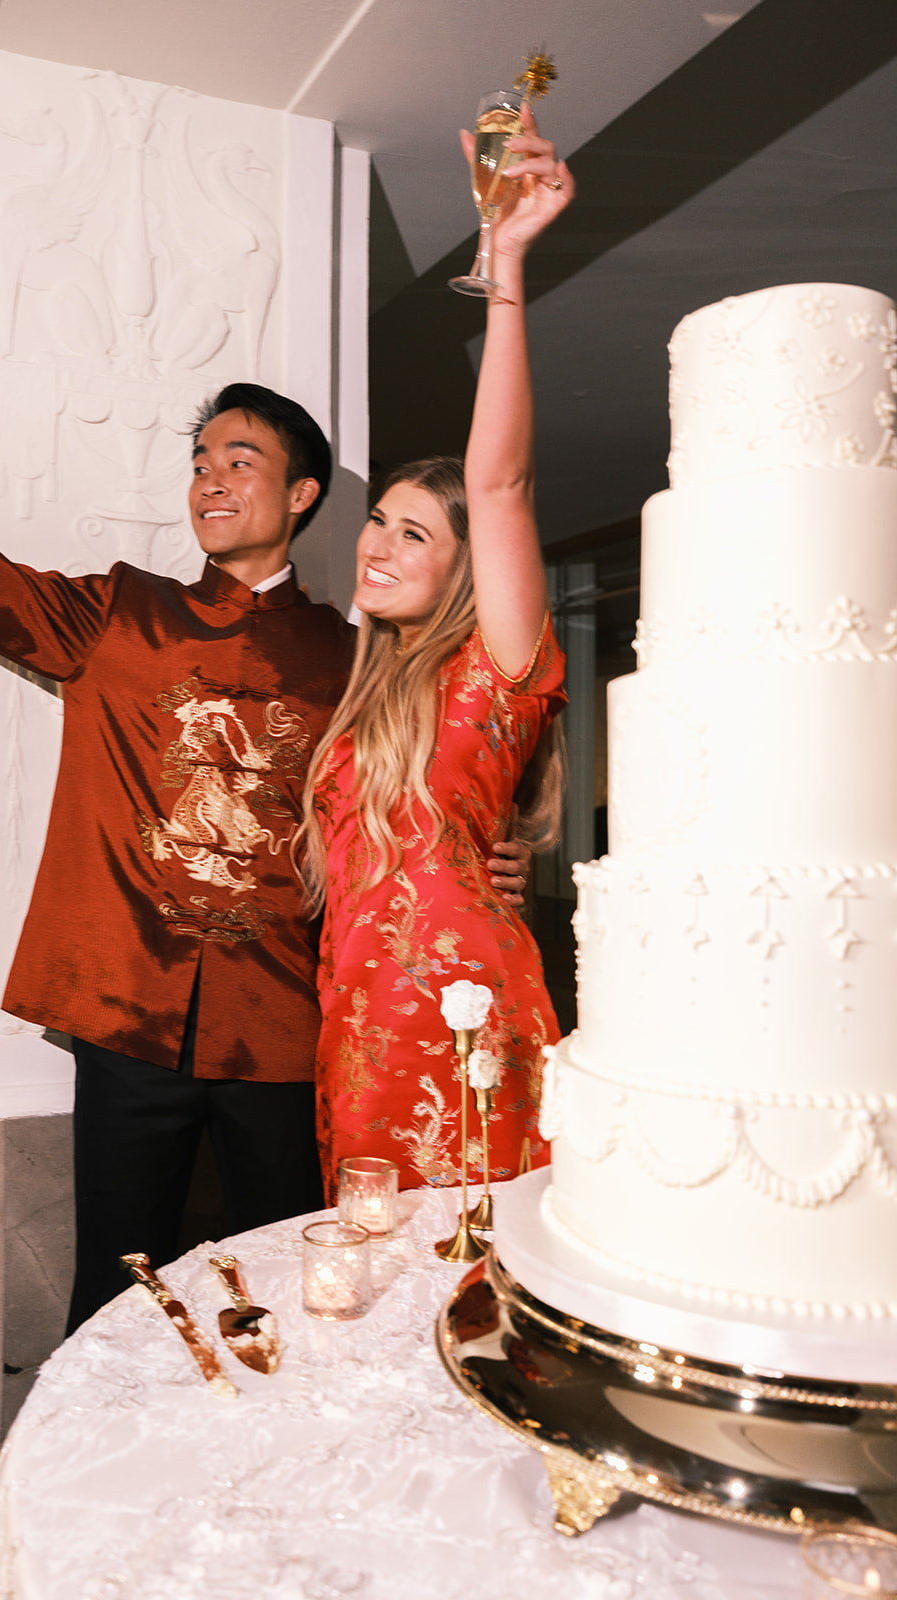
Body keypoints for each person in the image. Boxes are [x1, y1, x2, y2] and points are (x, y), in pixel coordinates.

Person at [0, 298, 534, 1327]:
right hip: (128, 1013)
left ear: (300, 493)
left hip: (289, 1029)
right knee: (116, 1287)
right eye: (201, 461)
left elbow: (433, 792)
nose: (211, 479)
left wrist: (494, 855)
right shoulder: (119, 614)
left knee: (299, 1284)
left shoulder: (356, 662)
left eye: (240, 460)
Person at [301, 112, 571, 1195]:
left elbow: (499, 481)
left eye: (416, 532)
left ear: (467, 569)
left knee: (466, 1292)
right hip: (355, 1030)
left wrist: (504, 272)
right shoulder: (367, 697)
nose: (378, 543)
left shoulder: (495, 668)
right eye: (381, 522)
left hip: (466, 1025)